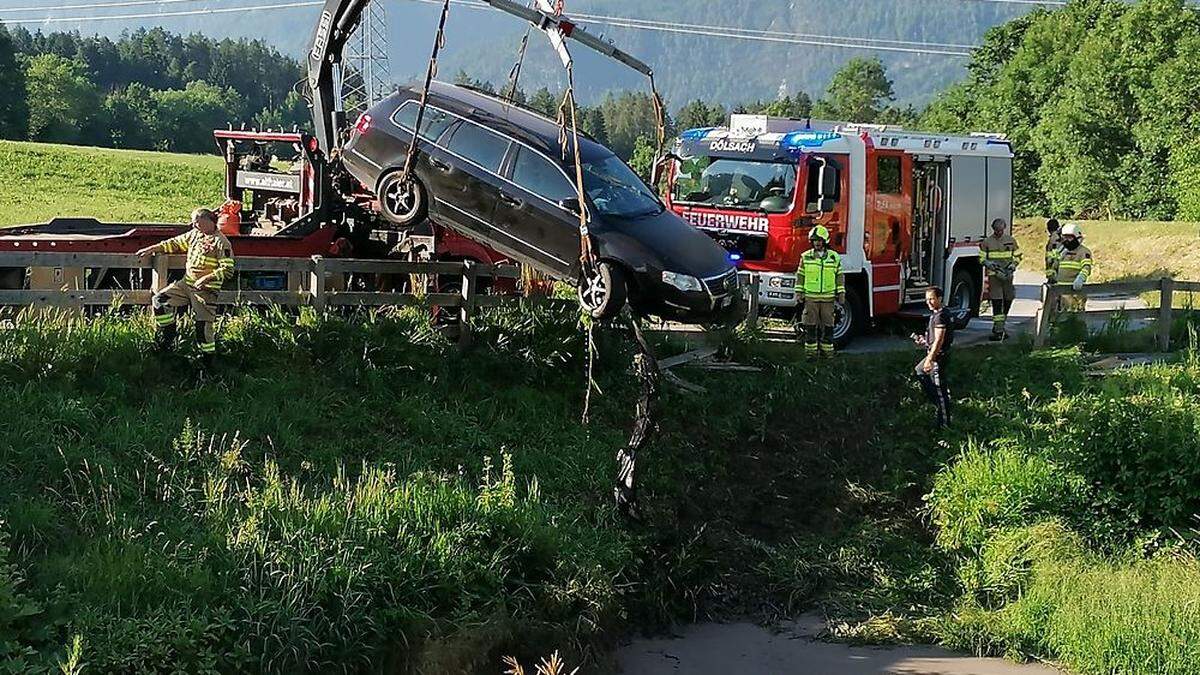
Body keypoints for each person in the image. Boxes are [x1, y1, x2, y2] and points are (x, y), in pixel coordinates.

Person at [136, 208, 235, 358]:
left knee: (203, 327)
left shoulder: (221, 242)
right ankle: (168, 336)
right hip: (186, 284)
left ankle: (207, 362)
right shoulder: (195, 235)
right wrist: (152, 248)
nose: (194, 224)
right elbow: (175, 243)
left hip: (205, 291)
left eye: (197, 221)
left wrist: (206, 278)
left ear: (208, 221)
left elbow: (228, 269)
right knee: (160, 301)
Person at [796, 225, 845, 358]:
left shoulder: (834, 257)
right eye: (814, 240)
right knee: (810, 325)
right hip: (810, 298)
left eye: (819, 240)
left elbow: (839, 276)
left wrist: (841, 294)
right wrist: (799, 293)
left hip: (828, 298)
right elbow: (800, 276)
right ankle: (811, 354)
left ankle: (827, 353)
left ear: (825, 241)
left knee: (828, 325)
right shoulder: (805, 257)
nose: (817, 243)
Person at [912, 286, 954, 429]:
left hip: (938, 357)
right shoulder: (936, 314)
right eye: (927, 299)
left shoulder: (941, 315)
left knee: (940, 391)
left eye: (931, 299)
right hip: (934, 353)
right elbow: (934, 338)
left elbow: (939, 340)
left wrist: (930, 359)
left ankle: (945, 425)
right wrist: (924, 340)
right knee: (919, 370)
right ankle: (939, 404)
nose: (928, 302)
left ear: (939, 299)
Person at [978, 218, 1021, 341]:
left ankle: (1001, 324)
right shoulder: (987, 242)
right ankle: (998, 329)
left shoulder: (1011, 240)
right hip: (994, 276)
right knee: (997, 302)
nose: (999, 232)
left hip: (1008, 275)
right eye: (997, 230)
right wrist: (989, 264)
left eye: (1001, 230)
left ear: (1004, 228)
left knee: (1008, 299)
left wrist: (1013, 265)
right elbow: (981, 258)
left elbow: (1018, 255)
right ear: (993, 229)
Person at [1045, 222, 1093, 315]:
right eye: (1064, 237)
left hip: (1074, 293)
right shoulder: (1062, 251)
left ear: (1077, 237)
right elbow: (1053, 265)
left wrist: (1081, 278)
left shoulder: (1083, 252)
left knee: (1074, 319)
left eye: (1069, 237)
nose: (1066, 240)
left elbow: (1086, 267)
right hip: (1059, 292)